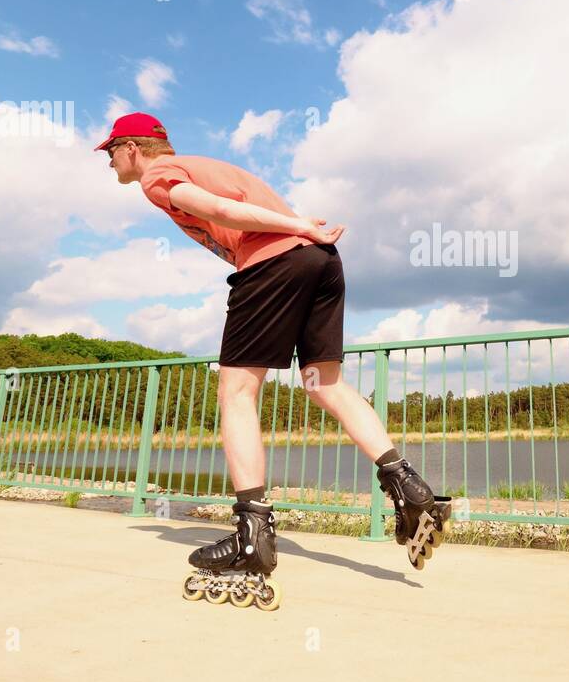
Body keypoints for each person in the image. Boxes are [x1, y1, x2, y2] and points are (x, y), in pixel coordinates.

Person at [95, 112, 450, 606]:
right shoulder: (206, 163)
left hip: (279, 260)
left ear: (132, 147)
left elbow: (214, 208)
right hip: (318, 264)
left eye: (110, 150)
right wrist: (303, 234)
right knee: (324, 384)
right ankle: (408, 487)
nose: (109, 161)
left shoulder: (159, 176)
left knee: (236, 392)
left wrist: (298, 224)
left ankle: (252, 536)